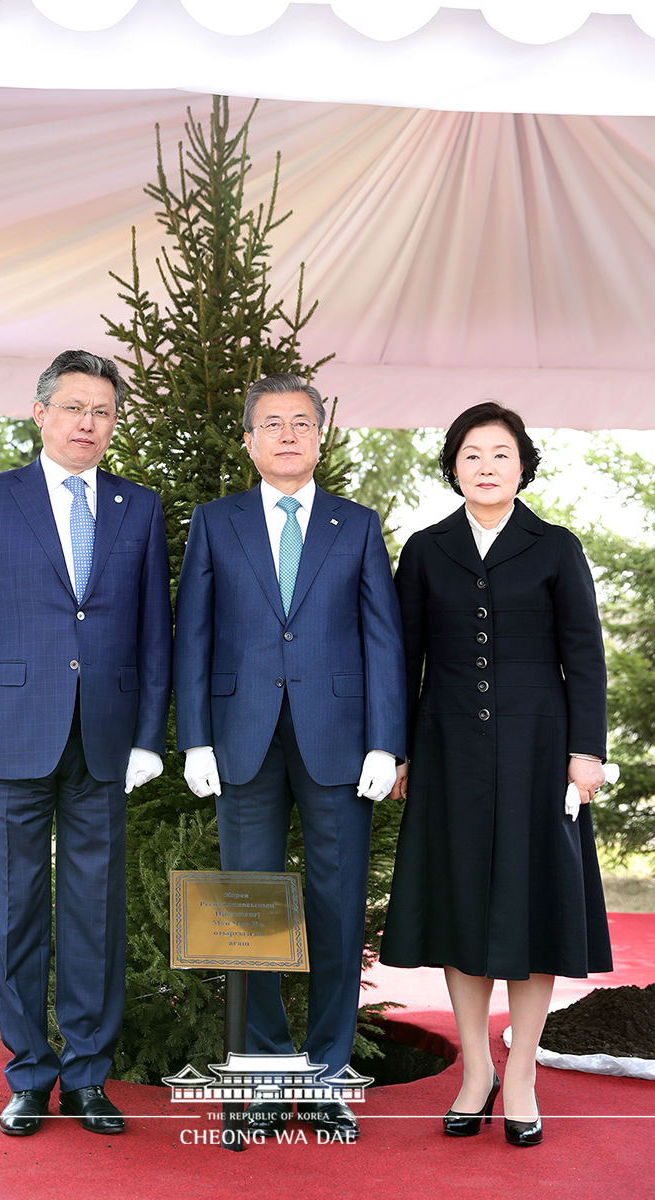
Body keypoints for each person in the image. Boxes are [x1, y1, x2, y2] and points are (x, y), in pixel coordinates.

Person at [0, 350, 172, 1137]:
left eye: (102, 411)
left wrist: (147, 737)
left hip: (104, 740)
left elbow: (154, 636)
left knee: (95, 915)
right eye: (74, 408)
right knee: (15, 911)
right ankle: (30, 1074)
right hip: (9, 740)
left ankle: (90, 1077)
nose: (88, 424)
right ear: (41, 414)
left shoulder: (139, 507)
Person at [173, 372, 406, 1139]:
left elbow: (383, 639)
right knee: (249, 913)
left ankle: (329, 1076)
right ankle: (265, 1077)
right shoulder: (216, 521)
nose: (286, 434)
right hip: (241, 739)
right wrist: (196, 737)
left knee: (338, 912)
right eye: (270, 423)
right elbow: (194, 635)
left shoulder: (358, 525)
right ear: (249, 439)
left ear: (320, 436)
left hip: (340, 744)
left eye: (301, 422)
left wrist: (386, 740)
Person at [380, 401, 612, 1148]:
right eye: (472, 454)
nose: (486, 466)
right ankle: (475, 1068)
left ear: (523, 466)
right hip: (446, 750)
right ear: (453, 467)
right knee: (460, 906)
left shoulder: (556, 546)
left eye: (500, 454)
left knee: (531, 905)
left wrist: (587, 749)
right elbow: (401, 659)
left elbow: (584, 655)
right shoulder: (425, 549)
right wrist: (400, 749)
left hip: (541, 750)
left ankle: (521, 1077)